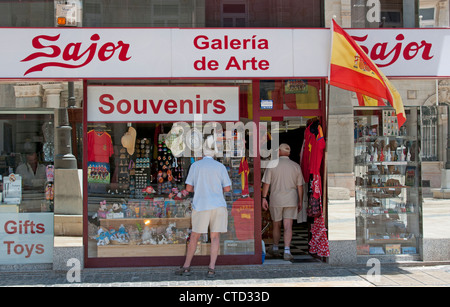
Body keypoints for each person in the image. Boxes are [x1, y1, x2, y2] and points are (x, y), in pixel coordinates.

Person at [176, 136, 231, 278]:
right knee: (215, 237)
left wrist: (200, 188)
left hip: (201, 205)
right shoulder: (220, 167)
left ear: (202, 152)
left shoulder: (196, 166)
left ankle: (187, 266)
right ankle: (211, 268)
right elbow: (227, 189)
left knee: (194, 236)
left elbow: (188, 188)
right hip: (218, 205)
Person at [261, 143, 304, 261]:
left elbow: (266, 183)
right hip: (291, 199)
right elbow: (300, 186)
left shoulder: (272, 165)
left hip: (276, 199)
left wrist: (263, 198)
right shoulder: (296, 166)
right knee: (288, 225)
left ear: (279, 151)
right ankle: (287, 250)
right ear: (289, 153)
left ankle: (275, 248)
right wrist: (300, 201)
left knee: (276, 224)